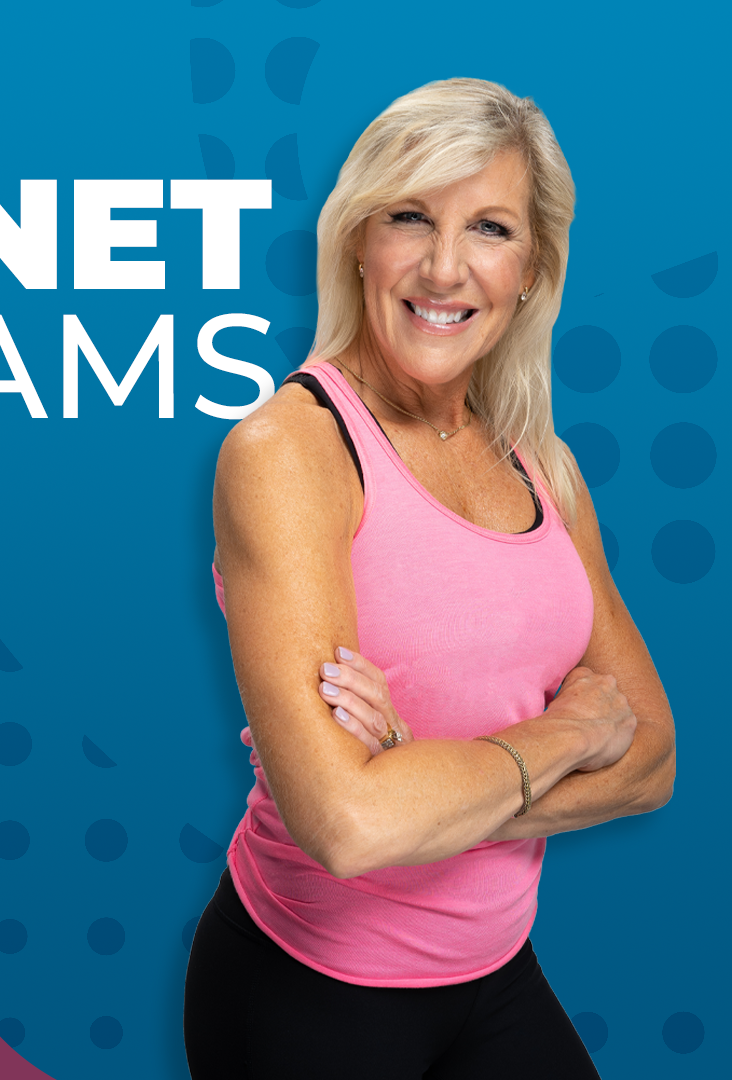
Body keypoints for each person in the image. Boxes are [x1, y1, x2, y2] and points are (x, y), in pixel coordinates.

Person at [185, 78, 675, 1079]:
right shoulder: (292, 452)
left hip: (493, 975)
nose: (445, 267)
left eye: (489, 227)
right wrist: (570, 734)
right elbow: (351, 826)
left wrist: (435, 781)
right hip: (309, 993)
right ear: (360, 239)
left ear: (532, 266)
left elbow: (656, 762)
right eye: (411, 216)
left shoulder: (541, 464)